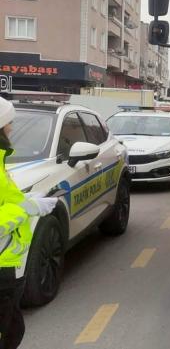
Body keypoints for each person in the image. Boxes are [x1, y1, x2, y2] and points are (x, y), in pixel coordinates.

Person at [0, 97, 57, 349]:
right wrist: (28, 208)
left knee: (14, 329)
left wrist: (25, 199)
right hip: (1, 265)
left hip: (7, 263)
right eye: (9, 123)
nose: (12, 128)